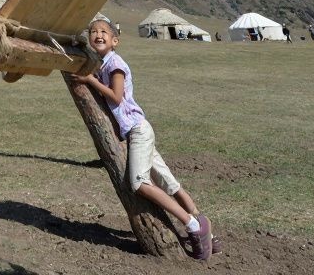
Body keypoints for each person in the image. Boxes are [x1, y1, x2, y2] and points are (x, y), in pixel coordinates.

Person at [79, 19, 214, 260]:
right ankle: (210, 236)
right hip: (138, 131)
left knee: (140, 183)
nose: (98, 35)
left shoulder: (115, 64)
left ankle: (193, 224)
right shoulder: (103, 64)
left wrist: (90, 80)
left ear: (114, 41)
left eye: (103, 32)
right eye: (93, 31)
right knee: (169, 184)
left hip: (138, 130)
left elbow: (116, 97)